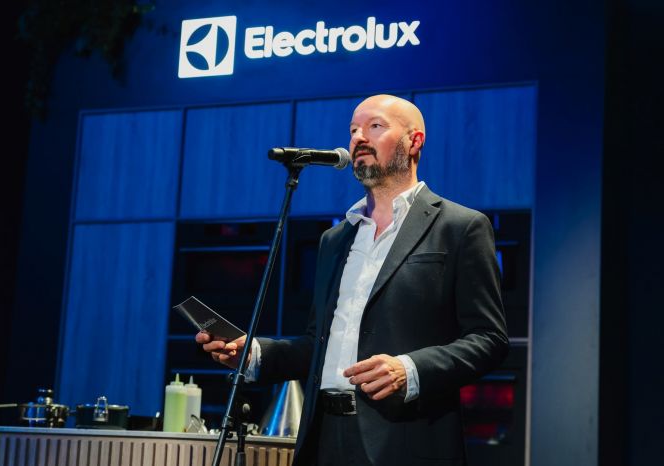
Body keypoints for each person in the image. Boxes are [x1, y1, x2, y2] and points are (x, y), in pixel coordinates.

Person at [197, 94, 509, 466]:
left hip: (404, 440)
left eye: (375, 126)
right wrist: (254, 354)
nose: (359, 137)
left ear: (414, 141)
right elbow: (318, 345)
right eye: (353, 130)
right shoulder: (335, 239)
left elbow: (488, 339)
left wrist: (409, 369)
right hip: (324, 436)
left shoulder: (460, 227)